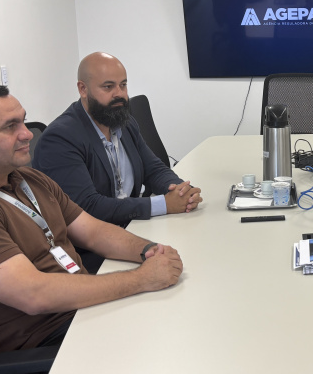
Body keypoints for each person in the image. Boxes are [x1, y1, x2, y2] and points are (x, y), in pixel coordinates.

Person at [0, 81, 184, 361]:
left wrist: (149, 251)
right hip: (42, 345)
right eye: (10, 126)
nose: (27, 134)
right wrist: (140, 279)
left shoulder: (27, 179)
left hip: (79, 310)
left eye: (24, 121)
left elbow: (92, 232)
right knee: (169, 347)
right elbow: (34, 295)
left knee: (180, 314)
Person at [32, 52, 202, 270]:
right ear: (83, 89)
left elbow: (153, 168)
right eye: (108, 87)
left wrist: (180, 191)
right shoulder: (60, 138)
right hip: (90, 252)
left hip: (133, 228)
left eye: (123, 85)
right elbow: (89, 207)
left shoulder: (124, 122)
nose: (119, 94)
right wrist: (163, 205)